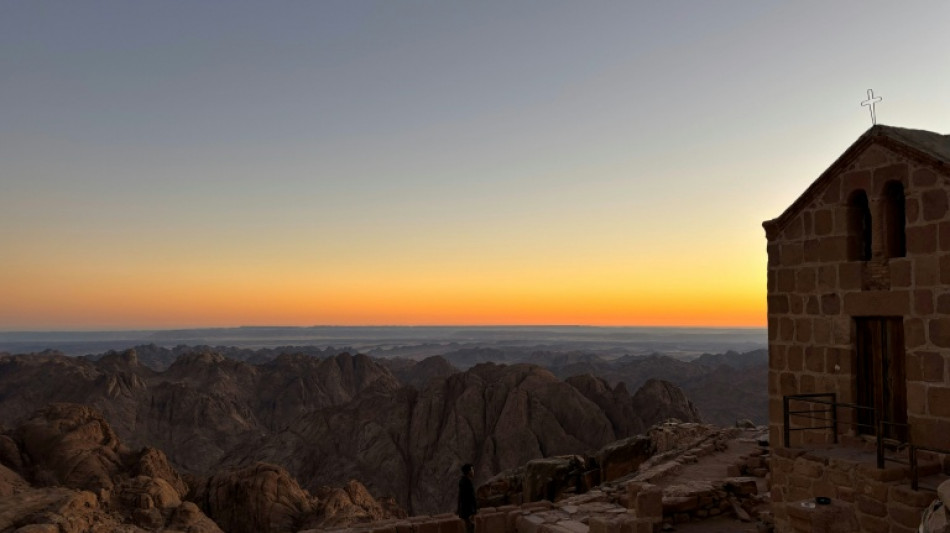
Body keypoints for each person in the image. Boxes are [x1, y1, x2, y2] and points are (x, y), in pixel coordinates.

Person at [457, 463, 477, 532]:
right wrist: (473, 511)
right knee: (470, 528)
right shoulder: (467, 483)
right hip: (468, 512)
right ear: (469, 472)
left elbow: (460, 497)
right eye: (472, 469)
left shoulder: (463, 481)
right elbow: (469, 498)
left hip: (465, 511)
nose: (473, 471)